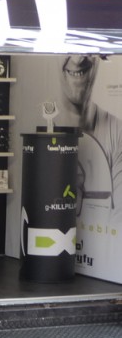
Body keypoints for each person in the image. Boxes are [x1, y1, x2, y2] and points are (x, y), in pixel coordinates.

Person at [57, 55, 122, 220]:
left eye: (88, 48)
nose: (78, 59)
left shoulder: (117, 131)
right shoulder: (32, 124)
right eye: (69, 47)